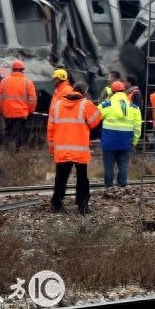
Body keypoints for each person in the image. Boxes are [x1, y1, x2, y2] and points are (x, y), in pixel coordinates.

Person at [48, 81, 102, 214]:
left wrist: (52, 147)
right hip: (79, 150)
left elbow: (50, 127)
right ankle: (82, 206)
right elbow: (95, 121)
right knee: (82, 178)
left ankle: (56, 204)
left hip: (62, 149)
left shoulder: (58, 104)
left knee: (60, 178)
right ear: (84, 92)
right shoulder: (86, 104)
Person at [99, 80, 142, 188]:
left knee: (108, 165)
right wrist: (134, 141)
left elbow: (94, 117)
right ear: (124, 92)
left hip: (109, 141)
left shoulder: (106, 105)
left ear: (112, 92)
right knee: (123, 165)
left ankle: (108, 186)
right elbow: (137, 127)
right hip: (126, 141)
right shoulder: (134, 107)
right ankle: (122, 185)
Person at [0, 59, 37, 150]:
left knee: (8, 132)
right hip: (22, 114)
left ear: (12, 69)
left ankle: (6, 150)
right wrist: (30, 111)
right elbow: (32, 99)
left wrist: (1, 110)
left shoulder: (4, 82)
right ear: (22, 70)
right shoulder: (28, 82)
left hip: (8, 113)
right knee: (20, 133)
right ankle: (18, 151)